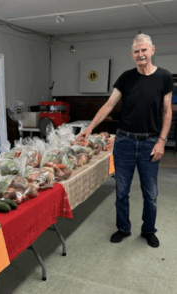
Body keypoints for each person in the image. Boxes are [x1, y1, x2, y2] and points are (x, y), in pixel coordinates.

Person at [77, 34, 173, 248]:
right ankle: (123, 228)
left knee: (151, 193)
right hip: (124, 143)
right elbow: (109, 105)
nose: (141, 54)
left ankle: (148, 230)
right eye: (136, 51)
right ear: (132, 55)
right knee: (122, 191)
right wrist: (90, 127)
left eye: (144, 50)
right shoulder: (126, 78)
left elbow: (167, 113)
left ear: (152, 50)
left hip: (150, 143)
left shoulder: (164, 77)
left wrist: (161, 142)